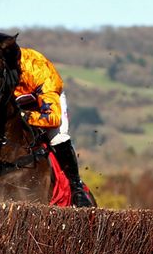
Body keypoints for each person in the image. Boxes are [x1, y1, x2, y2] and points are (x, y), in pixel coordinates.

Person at [7, 38, 94, 207]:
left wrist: (25, 116)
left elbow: (52, 117)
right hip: (19, 105)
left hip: (47, 104)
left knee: (58, 137)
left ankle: (77, 188)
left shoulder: (37, 69)